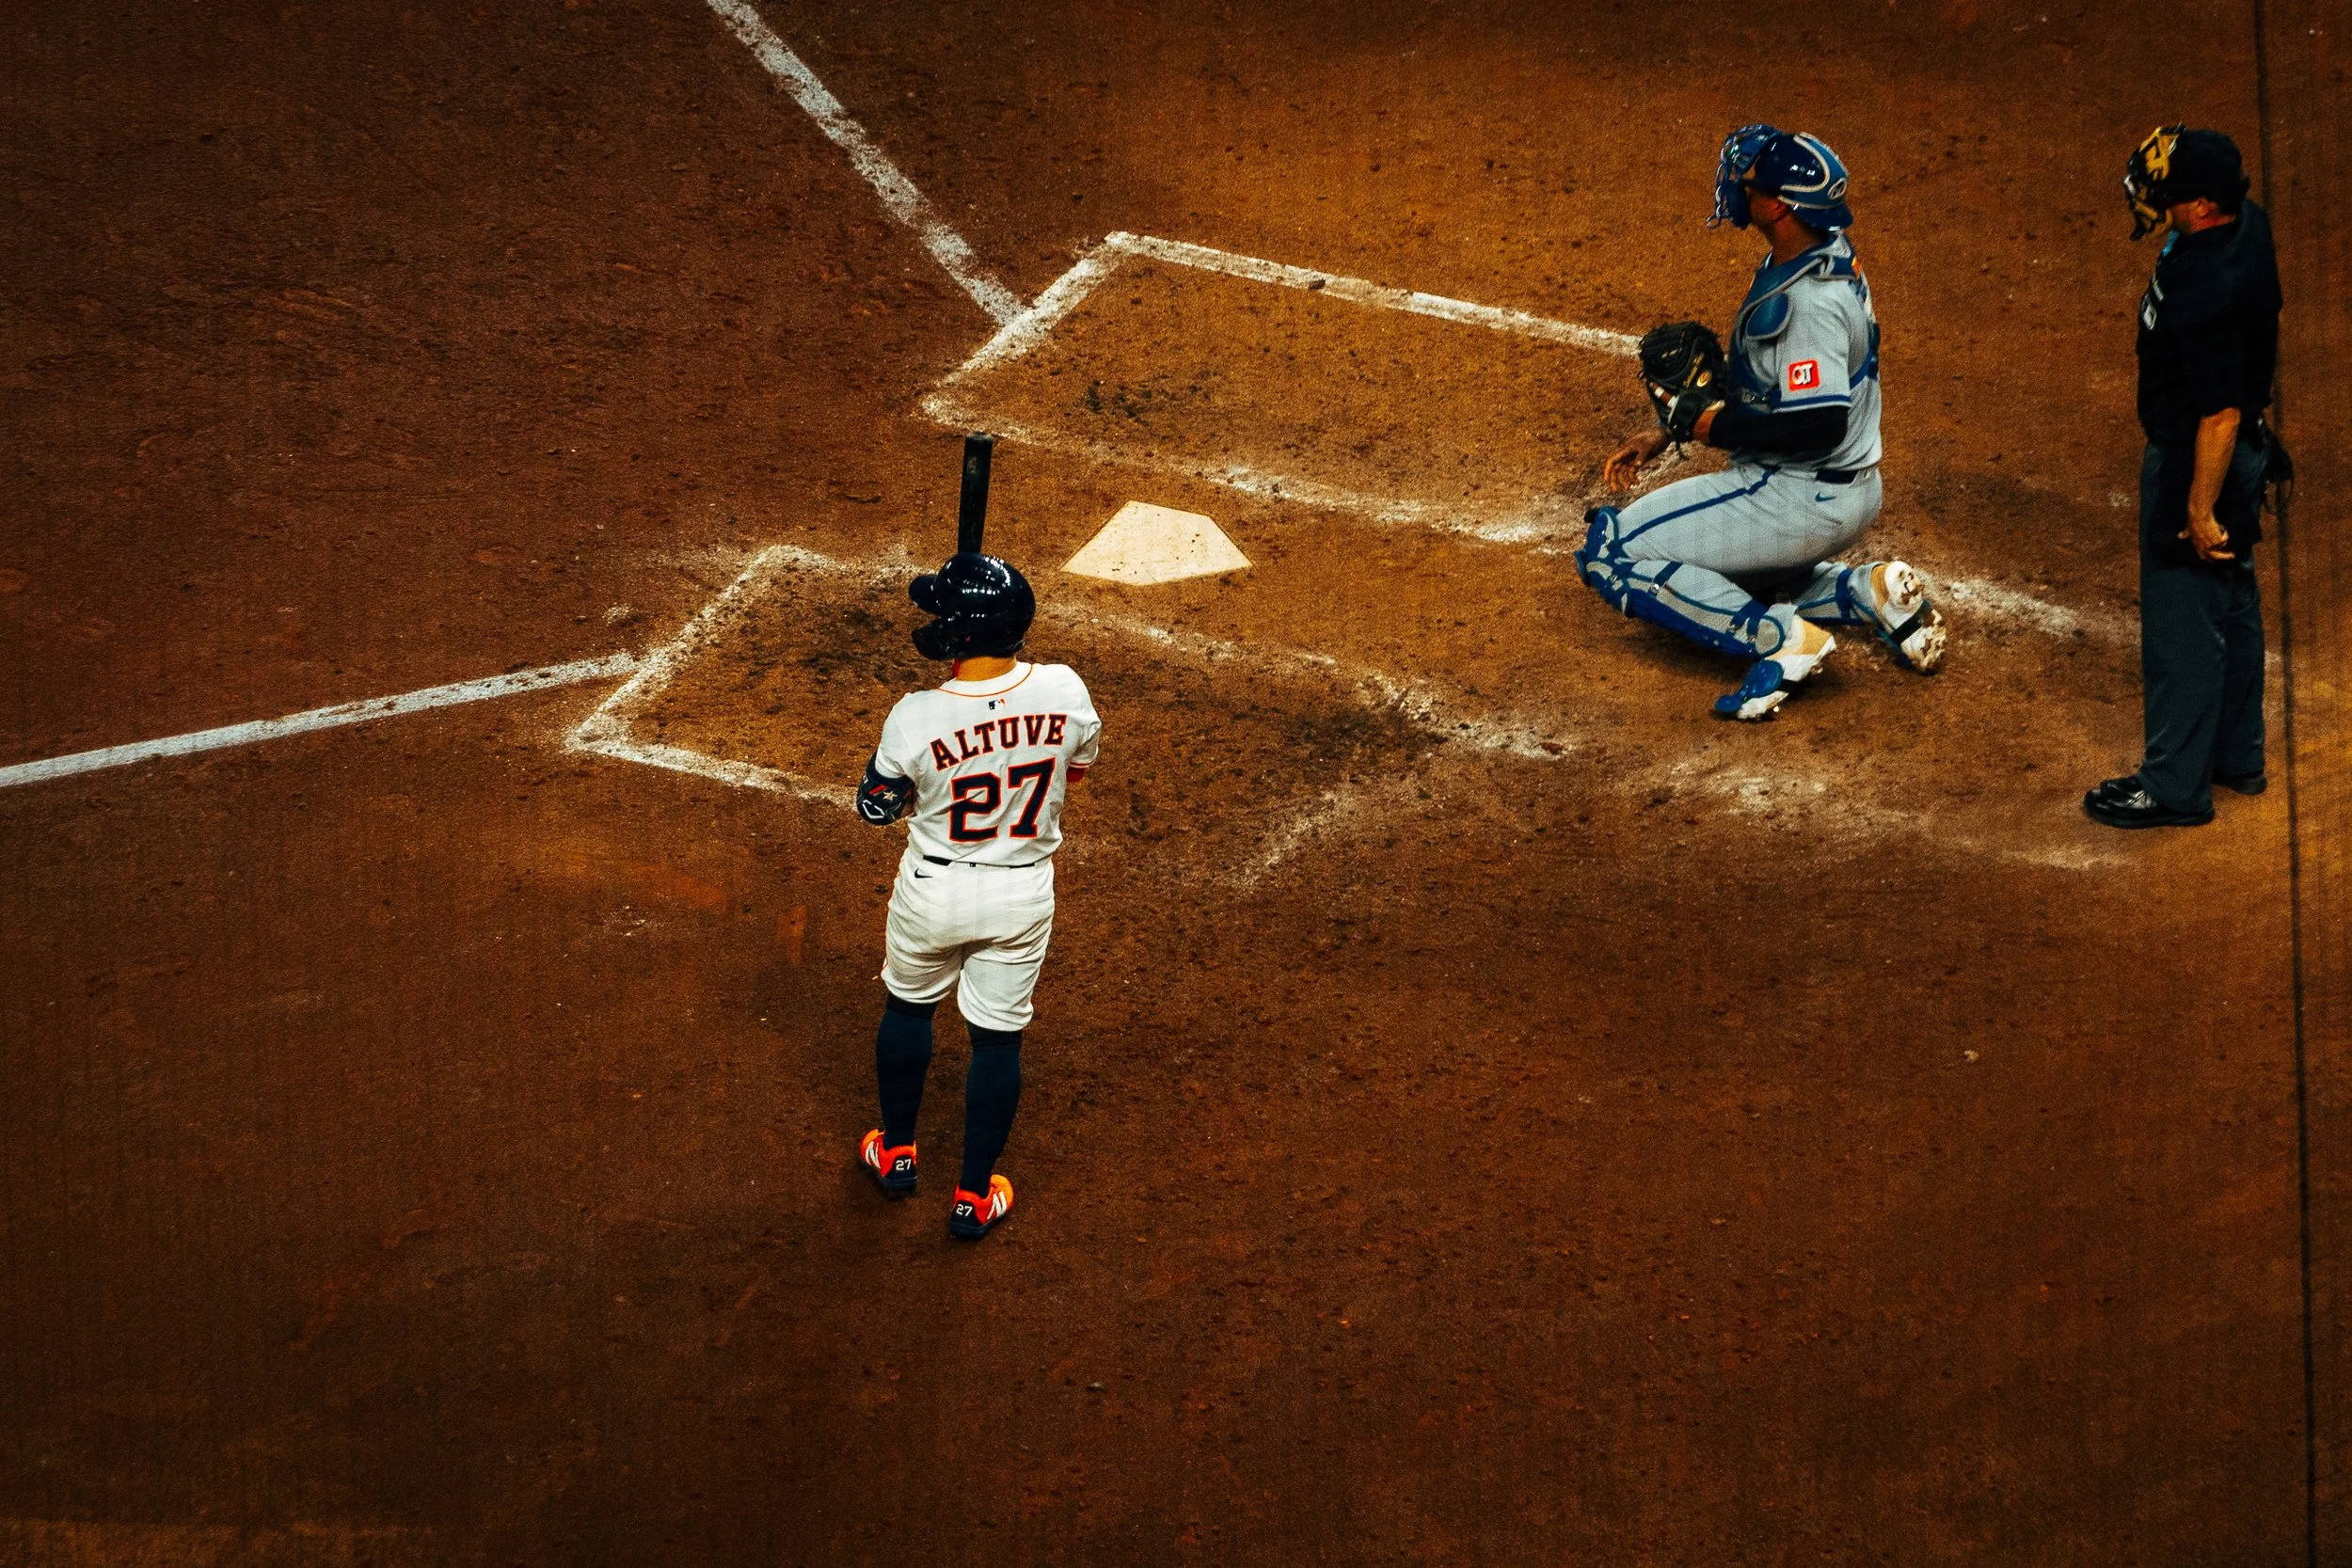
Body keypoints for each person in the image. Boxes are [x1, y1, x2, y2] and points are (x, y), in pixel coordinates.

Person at [1580, 124, 1947, 721]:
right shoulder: (1819, 255)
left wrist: (1712, 430)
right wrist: (1671, 430)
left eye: (1750, 184)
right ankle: (1862, 593)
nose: (1737, 187)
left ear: (1779, 205)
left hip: (1797, 496)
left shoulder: (1811, 305)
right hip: (1839, 490)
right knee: (1706, 557)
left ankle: (1779, 640)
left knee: (1613, 551)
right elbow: (1782, 387)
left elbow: (1820, 424)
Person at [850, 551, 1101, 1238]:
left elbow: (874, 808)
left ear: (959, 635)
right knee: (997, 1041)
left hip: (934, 891)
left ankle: (896, 1152)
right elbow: (1072, 777)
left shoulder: (914, 715)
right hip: (1020, 893)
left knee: (908, 1005)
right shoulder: (1066, 690)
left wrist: (915, 779)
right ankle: (972, 1196)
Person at [2083, 126, 2285, 829]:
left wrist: (2197, 509)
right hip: (2243, 452)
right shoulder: (2244, 228)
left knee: (2184, 622)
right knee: (2232, 602)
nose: (2156, 200)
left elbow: (2219, 414)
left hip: (2203, 458)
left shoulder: (2205, 283)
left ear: (2202, 206)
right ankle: (2237, 756)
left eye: (2169, 194)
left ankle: (2174, 787)